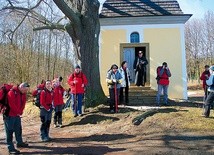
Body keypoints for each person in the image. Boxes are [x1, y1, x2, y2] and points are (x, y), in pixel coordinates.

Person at [4, 82, 30, 154]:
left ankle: (19, 142)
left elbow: (24, 102)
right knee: (9, 132)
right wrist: (18, 112)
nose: (26, 91)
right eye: (25, 90)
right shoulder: (11, 92)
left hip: (17, 115)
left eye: (26, 90)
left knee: (18, 130)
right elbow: (11, 104)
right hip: (9, 115)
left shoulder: (23, 93)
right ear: (21, 87)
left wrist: (21, 111)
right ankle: (11, 148)